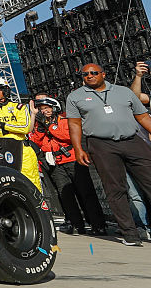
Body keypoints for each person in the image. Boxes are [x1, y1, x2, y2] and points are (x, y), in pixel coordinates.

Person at [67, 63, 151, 246]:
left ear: (103, 74)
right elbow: (74, 124)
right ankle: (130, 234)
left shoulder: (124, 92)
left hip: (132, 140)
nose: (89, 76)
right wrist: (78, 149)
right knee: (115, 189)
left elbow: (143, 116)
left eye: (93, 73)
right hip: (101, 144)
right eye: (85, 74)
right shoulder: (75, 97)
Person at [29, 95, 106, 235]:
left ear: (54, 108)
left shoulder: (64, 120)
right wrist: (40, 127)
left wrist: (48, 126)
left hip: (72, 160)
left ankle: (97, 224)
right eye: (41, 109)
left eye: (46, 108)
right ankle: (76, 224)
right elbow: (36, 141)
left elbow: (68, 136)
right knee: (65, 195)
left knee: (85, 192)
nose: (44, 111)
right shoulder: (39, 124)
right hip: (55, 164)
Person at [0, 77, 40, 190]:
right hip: (0, 151)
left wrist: (2, 125)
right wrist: (11, 129)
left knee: (32, 182)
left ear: (5, 90)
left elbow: (25, 128)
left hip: (23, 150)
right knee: (5, 184)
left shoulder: (19, 107)